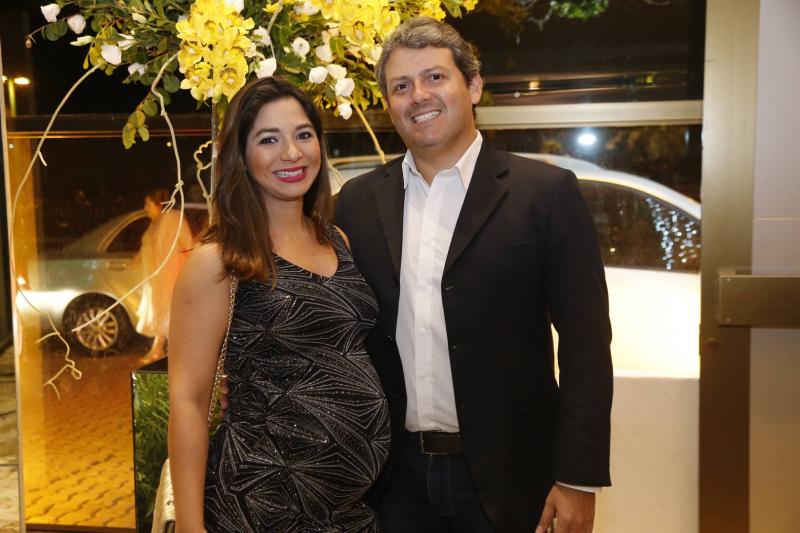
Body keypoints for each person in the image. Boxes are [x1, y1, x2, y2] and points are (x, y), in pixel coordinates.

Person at [333, 17, 613, 533]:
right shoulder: (356, 202)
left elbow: (586, 344)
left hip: (512, 479)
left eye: (435, 77)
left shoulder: (544, 193)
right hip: (393, 480)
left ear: (474, 85)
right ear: (388, 104)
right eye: (401, 86)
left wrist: (578, 478)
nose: (419, 96)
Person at [167, 77, 390, 533]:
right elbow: (188, 401)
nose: (292, 153)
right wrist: (191, 527)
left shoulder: (337, 239)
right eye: (269, 139)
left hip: (348, 511)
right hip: (259, 504)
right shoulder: (220, 259)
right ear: (241, 156)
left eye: (303, 134)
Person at [133, 188, 193, 362]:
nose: (145, 208)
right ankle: (159, 349)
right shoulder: (155, 223)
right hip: (155, 279)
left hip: (170, 276)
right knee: (161, 312)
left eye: (148, 204)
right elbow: (147, 246)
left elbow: (187, 244)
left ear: (159, 204)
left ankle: (173, 353)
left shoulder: (173, 219)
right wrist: (136, 260)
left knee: (169, 313)